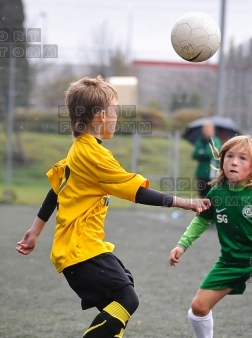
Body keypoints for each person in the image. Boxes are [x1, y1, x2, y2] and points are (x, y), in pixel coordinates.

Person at [16, 76, 211, 338]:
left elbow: (56, 189)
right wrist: (185, 202)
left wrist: (35, 230)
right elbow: (137, 192)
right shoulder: (93, 155)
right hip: (80, 250)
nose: (117, 117)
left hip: (81, 249)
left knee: (123, 290)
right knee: (126, 299)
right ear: (99, 115)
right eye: (115, 111)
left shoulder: (81, 149)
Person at [169, 135, 252, 338]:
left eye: (243, 158)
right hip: (230, 261)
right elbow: (202, 220)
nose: (234, 162)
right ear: (222, 161)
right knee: (198, 308)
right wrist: (182, 245)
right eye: (229, 156)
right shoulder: (217, 192)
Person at [192, 122, 222, 198]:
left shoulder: (215, 141)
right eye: (205, 129)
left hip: (212, 175)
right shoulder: (200, 141)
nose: (206, 131)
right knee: (202, 196)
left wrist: (202, 153)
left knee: (211, 197)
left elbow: (212, 154)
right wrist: (203, 153)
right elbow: (194, 155)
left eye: (208, 129)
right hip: (201, 174)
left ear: (213, 130)